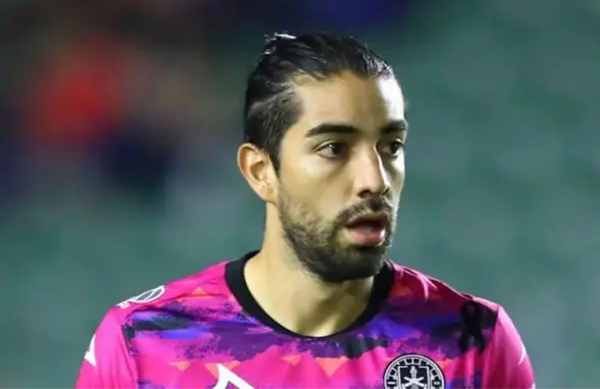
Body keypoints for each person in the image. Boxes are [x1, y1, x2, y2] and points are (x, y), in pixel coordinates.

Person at [75, 33, 535, 389]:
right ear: (261, 172)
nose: (374, 180)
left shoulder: (473, 341)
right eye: (334, 148)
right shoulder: (142, 345)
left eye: (391, 147)